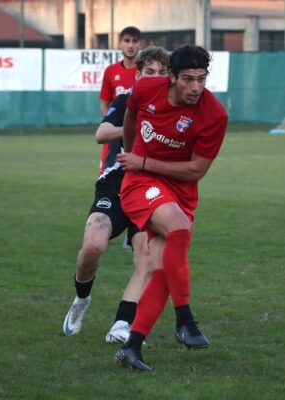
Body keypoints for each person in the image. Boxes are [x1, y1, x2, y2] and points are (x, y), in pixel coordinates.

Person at [113, 45, 228, 372]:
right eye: (188, 79)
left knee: (166, 268)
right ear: (171, 78)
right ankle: (185, 320)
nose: (196, 87)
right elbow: (130, 115)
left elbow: (196, 171)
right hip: (141, 183)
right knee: (178, 228)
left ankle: (131, 347)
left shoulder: (215, 115)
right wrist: (132, 155)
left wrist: (144, 158)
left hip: (181, 190)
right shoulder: (147, 88)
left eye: (201, 79)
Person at [63, 46, 171, 344]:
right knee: (93, 247)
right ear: (138, 75)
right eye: (149, 72)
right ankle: (81, 299)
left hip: (152, 189)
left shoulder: (174, 107)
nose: (156, 78)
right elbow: (101, 133)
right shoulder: (127, 100)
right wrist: (136, 125)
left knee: (146, 261)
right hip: (117, 183)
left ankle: (121, 324)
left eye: (162, 73)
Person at [98, 26, 142, 174]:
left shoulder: (145, 72)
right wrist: (109, 123)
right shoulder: (111, 71)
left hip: (139, 133)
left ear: (140, 44)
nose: (130, 45)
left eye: (134, 41)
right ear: (120, 44)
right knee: (108, 175)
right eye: (127, 41)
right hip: (117, 133)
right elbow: (105, 102)